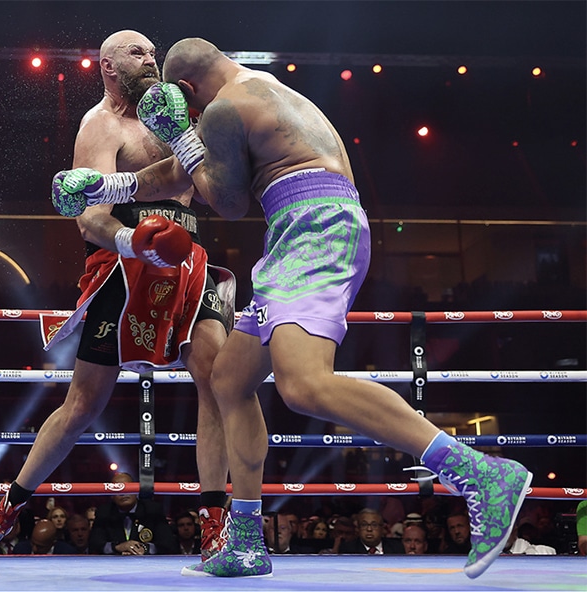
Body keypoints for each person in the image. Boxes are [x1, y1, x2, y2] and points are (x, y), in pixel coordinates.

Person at [51, 37, 533, 579]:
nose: (187, 117)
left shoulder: (226, 110)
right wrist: (106, 184)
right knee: (231, 381)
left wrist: (182, 133)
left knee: (303, 385)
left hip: (316, 229)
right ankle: (247, 543)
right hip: (300, 231)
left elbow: (227, 203)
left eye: (185, 107)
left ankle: (479, 472)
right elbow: (180, 176)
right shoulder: (260, 89)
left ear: (185, 89)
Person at [0, 29, 231, 571]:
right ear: (107, 65)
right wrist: (136, 241)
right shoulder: (100, 125)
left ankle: (216, 523)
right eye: (137, 52)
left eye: (154, 52)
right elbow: (90, 214)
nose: (151, 59)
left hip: (189, 258)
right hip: (124, 265)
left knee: (218, 382)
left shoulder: (178, 114)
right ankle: (7, 509)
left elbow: (214, 186)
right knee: (83, 404)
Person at [88, 472, 178, 555]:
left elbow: (168, 544)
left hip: (148, 564)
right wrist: (117, 547)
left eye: (127, 487)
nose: (123, 493)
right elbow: (95, 545)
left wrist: (144, 549)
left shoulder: (152, 510)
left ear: (136, 490)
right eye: (118, 488)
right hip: (114, 565)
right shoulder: (104, 512)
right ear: (111, 495)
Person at [339, 508, 404, 555]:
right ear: (358, 528)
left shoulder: (396, 548)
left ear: (382, 528)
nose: (369, 529)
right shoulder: (347, 550)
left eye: (374, 525)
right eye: (364, 525)